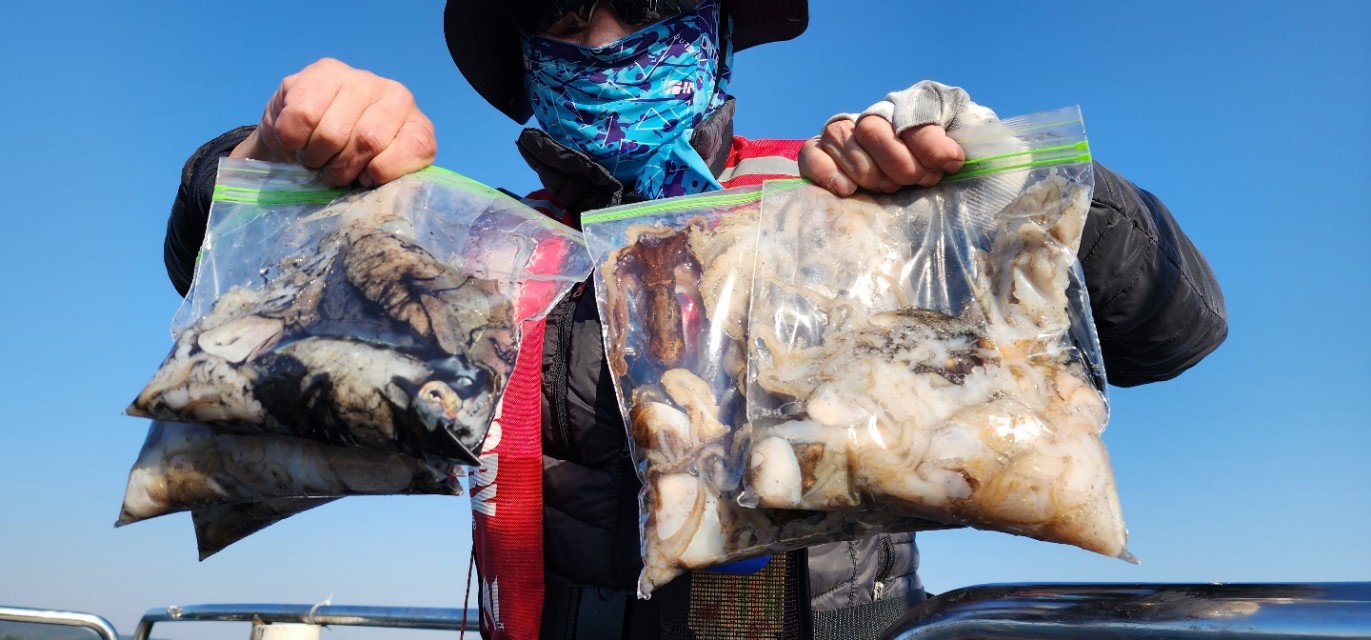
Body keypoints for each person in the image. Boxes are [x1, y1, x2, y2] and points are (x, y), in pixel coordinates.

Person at [161, 1, 1228, 638]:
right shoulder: (478, 254)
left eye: (650, 3)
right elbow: (237, 303)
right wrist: (265, 164)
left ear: (714, 32)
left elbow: (1173, 329)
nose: (606, 41)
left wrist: (1025, 190)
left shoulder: (853, 208)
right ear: (525, 58)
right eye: (564, 15)